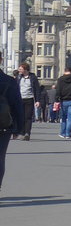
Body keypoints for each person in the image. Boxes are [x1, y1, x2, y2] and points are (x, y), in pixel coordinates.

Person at [0, 61, 24, 193]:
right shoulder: (9, 81)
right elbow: (17, 106)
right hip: (4, 125)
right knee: (0, 158)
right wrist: (19, 128)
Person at [15, 63, 40, 141]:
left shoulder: (33, 77)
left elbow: (37, 89)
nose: (19, 70)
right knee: (20, 117)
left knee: (28, 117)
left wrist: (37, 100)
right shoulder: (18, 77)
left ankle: (27, 133)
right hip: (20, 99)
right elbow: (15, 88)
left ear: (25, 69)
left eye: (21, 69)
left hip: (29, 99)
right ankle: (21, 133)